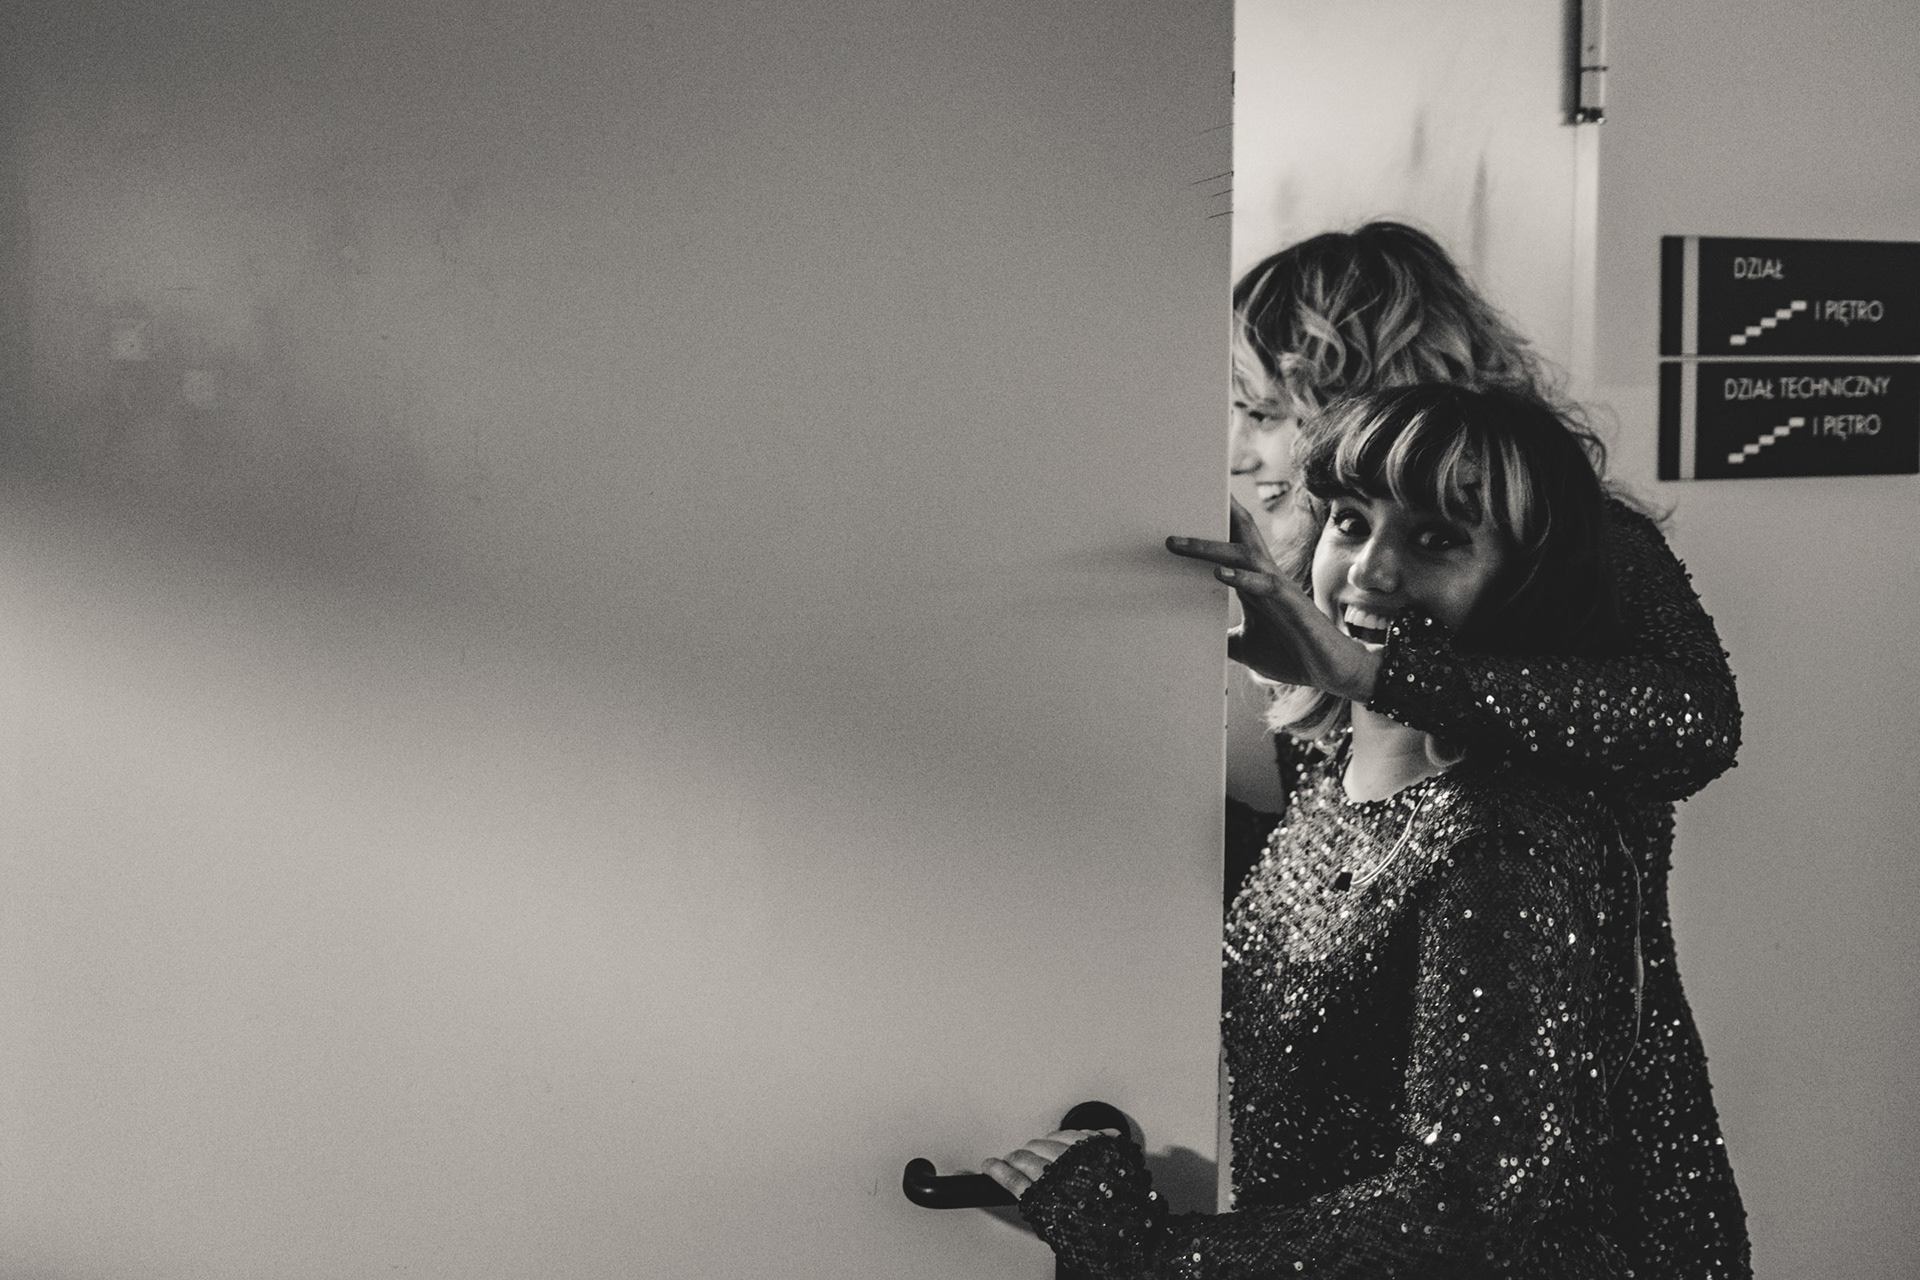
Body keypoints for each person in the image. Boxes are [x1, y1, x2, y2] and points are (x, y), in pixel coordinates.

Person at [985, 386, 1740, 1278]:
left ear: (1527, 584)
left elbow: (1462, 1218)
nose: (1371, 572)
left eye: (1437, 540)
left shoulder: (1503, 839)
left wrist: (1144, 1253)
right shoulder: (1334, 776)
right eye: (1348, 522)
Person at [1197, 222, 1747, 1277]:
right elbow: (1349, 862)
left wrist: (1373, 672)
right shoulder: (1335, 570)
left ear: (1357, 391)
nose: (1239, 446)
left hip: (1586, 1178)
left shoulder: (1572, 545)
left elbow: (1692, 723)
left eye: (1265, 411)